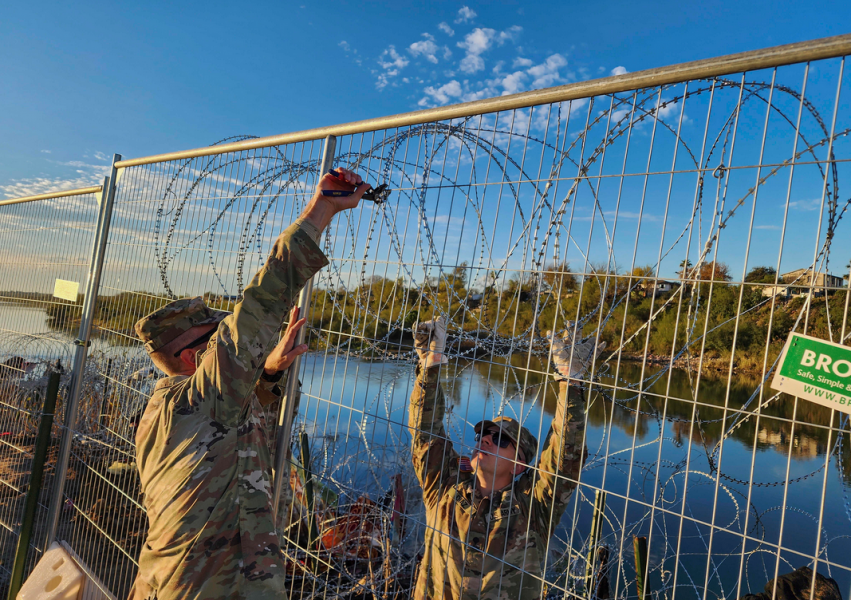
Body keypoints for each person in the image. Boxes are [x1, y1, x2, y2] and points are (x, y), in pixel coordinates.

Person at [128, 168, 369, 600]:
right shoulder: (203, 397)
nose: (230, 342)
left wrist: (270, 372)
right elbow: (263, 298)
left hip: (170, 582)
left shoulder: (169, 406)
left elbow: (228, 437)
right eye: (216, 339)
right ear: (190, 358)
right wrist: (324, 207)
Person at [408, 316, 604, 600]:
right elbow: (425, 436)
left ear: (520, 465)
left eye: (500, 439)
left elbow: (564, 458)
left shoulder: (533, 509)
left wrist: (570, 381)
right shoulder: (443, 488)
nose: (485, 439)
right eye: (483, 435)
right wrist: (431, 365)